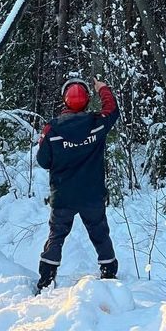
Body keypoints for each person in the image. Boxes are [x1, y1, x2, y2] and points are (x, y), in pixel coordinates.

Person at [35, 77, 120, 292]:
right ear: (87, 100)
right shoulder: (96, 123)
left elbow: (43, 161)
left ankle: (46, 278)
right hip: (92, 195)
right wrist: (103, 89)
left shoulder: (52, 130)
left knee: (56, 235)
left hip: (63, 195)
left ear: (64, 100)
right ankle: (109, 272)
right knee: (99, 232)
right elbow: (112, 110)